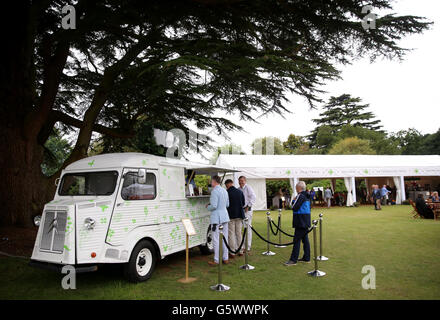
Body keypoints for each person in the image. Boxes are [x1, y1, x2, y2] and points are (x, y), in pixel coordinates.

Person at [284, 181, 311, 266]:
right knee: (305, 240)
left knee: (296, 240)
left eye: (296, 187)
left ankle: (293, 260)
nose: (295, 189)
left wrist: (293, 201)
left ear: (298, 188)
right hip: (305, 220)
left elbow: (294, 207)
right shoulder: (306, 195)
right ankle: (306, 257)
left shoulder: (300, 195)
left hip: (300, 220)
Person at [206, 175, 230, 266]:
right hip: (225, 216)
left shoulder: (214, 191)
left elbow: (214, 206)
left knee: (216, 239)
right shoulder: (224, 190)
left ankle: (216, 260)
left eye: (211, 181)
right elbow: (227, 204)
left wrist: (208, 206)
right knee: (225, 238)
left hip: (217, 218)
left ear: (214, 181)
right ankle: (225, 258)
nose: (210, 183)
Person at [224, 179, 245, 258]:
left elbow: (226, 204)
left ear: (227, 185)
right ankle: (241, 250)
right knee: (239, 233)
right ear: (232, 183)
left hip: (231, 215)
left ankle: (232, 252)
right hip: (239, 214)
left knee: (231, 234)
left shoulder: (227, 193)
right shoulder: (240, 192)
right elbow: (243, 203)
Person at [239, 176, 256, 254]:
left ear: (245, 181)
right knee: (241, 229)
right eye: (239, 181)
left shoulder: (248, 188)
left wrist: (248, 206)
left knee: (248, 228)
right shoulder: (238, 189)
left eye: (242, 180)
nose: (241, 182)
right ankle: (242, 246)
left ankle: (248, 247)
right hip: (241, 211)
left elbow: (253, 197)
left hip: (248, 210)